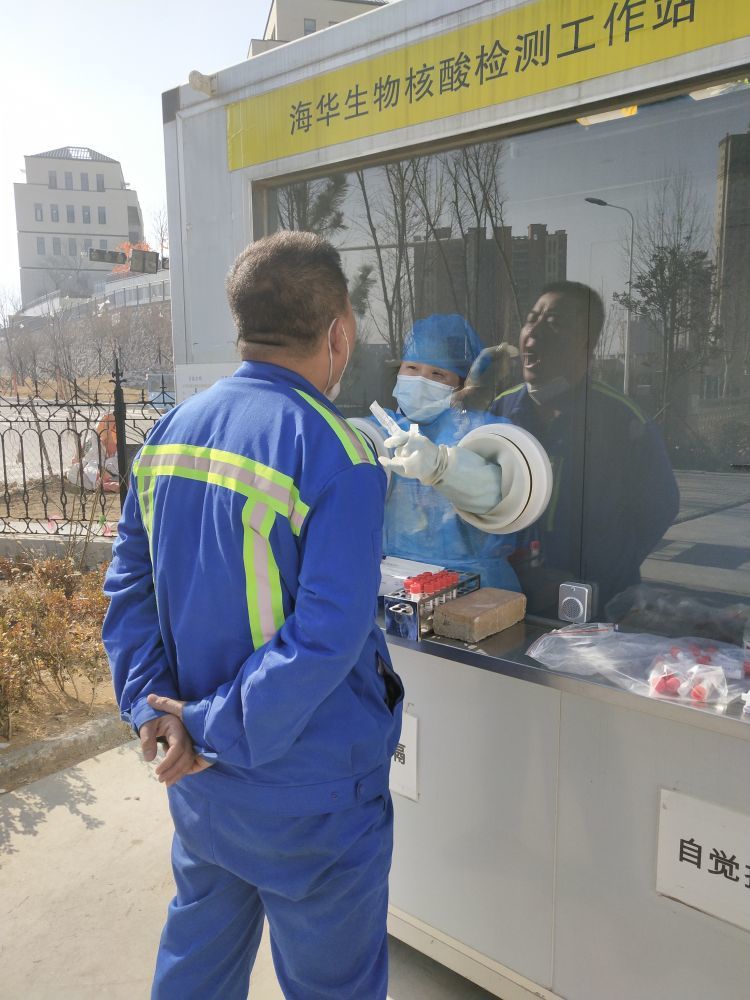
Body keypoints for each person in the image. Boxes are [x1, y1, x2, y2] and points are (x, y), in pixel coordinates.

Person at [102, 231, 403, 1000]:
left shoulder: (171, 434)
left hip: (201, 786)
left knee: (197, 965)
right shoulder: (339, 453)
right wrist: (206, 728)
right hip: (310, 796)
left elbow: (128, 587)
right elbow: (325, 639)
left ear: (243, 328)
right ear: (339, 332)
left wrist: (153, 711)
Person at [489, 280, 679, 613]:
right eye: (532, 318)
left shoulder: (622, 421)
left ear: (585, 344)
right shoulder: (500, 411)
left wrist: (603, 572)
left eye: (555, 323)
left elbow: (659, 508)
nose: (534, 331)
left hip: (597, 606)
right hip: (510, 599)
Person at [375, 313, 520, 591]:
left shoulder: (485, 432)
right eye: (412, 368)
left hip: (474, 587)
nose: (420, 380)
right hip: (395, 584)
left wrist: (442, 466)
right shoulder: (384, 430)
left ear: (459, 383)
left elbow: (503, 494)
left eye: (437, 374)